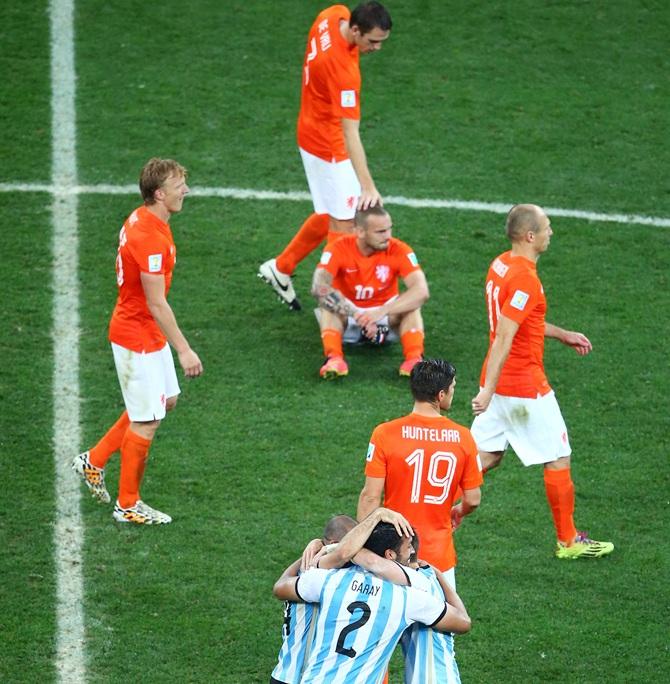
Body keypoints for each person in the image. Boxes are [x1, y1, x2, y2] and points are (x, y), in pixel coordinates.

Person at [471, 203, 613, 559]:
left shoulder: (500, 263)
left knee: (484, 457)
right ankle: (568, 541)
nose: (552, 233)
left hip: (497, 377)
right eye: (547, 228)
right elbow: (506, 334)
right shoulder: (525, 279)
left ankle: (429, 511)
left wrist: (561, 334)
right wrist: (488, 390)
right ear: (530, 236)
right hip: (522, 387)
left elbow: (520, 324)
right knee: (559, 457)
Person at [72, 158, 203, 525]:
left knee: (167, 401)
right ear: (159, 193)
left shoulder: (144, 218)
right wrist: (185, 350)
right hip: (137, 336)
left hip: (145, 330)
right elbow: (156, 303)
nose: (186, 191)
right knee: (146, 420)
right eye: (179, 186)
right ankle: (127, 504)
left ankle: (94, 460)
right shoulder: (150, 238)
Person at [258, 2, 392, 311]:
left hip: (309, 132)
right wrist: (368, 185)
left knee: (330, 212)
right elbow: (350, 134)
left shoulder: (332, 15)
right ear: (355, 30)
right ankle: (333, 309)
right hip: (329, 147)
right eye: (372, 41)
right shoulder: (344, 73)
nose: (376, 48)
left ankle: (281, 268)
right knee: (344, 228)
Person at [273, 521, 471, 684]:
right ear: (390, 555)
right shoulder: (410, 595)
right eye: (408, 547)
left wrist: (325, 547)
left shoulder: (330, 580)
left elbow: (281, 587)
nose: (411, 550)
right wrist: (438, 574)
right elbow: (462, 622)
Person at [357, 358, 482, 588]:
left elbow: (370, 497)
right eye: (453, 387)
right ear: (441, 395)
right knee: (439, 620)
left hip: (392, 553)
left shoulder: (385, 434)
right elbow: (473, 499)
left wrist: (363, 546)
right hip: (438, 558)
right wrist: (459, 511)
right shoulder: (464, 437)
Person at [271, 508, 414, 684]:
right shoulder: (324, 573)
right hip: (302, 677)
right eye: (354, 541)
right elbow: (343, 554)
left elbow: (279, 586)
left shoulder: (311, 567)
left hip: (283, 674)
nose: (359, 547)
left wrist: (317, 545)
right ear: (335, 542)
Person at [311, 205, 429, 378]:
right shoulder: (338, 248)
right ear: (359, 231)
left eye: (389, 229)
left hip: (385, 314)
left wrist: (380, 312)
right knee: (328, 305)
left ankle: (414, 360)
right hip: (350, 312)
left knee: (412, 305)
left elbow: (421, 291)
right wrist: (356, 313)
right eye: (380, 232)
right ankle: (334, 359)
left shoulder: (399, 249)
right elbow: (319, 287)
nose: (388, 236)